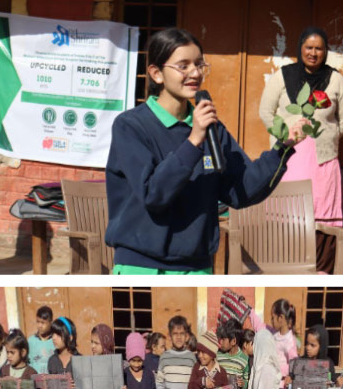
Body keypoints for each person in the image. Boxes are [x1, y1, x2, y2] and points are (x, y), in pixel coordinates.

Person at [105, 20, 266, 267]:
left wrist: (283, 149)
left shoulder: (212, 128)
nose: (195, 73)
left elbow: (241, 190)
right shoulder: (131, 126)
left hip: (196, 266)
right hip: (142, 267)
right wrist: (193, 141)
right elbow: (153, 195)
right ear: (156, 73)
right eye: (183, 66)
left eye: (199, 64)